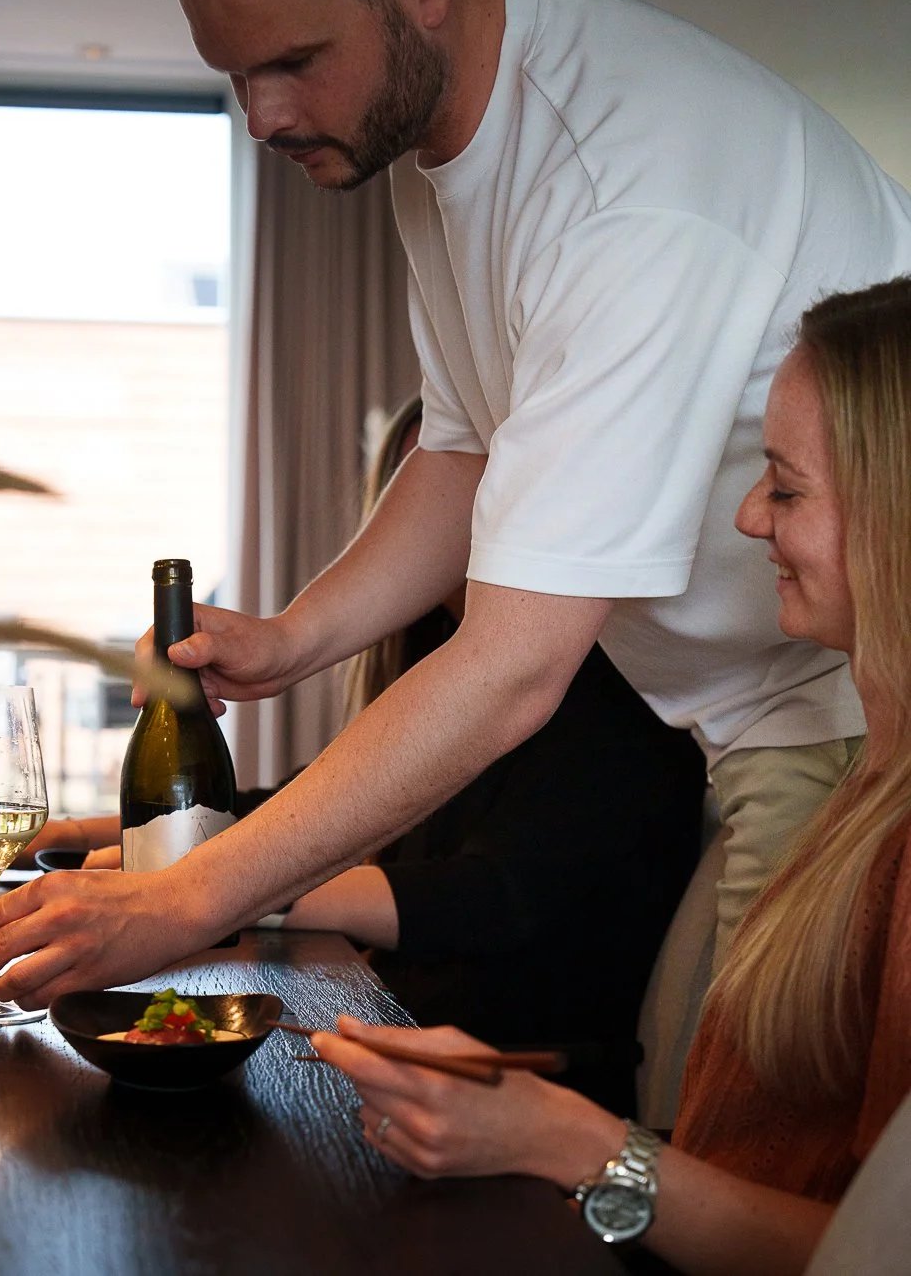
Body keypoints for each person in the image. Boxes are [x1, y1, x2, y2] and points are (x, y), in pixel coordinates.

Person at [0, 0, 911, 1009]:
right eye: (237, 74)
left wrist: (187, 899)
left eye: (294, 61)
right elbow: (464, 446)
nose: (263, 116)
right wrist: (294, 639)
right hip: (737, 714)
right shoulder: (443, 147)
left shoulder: (623, 188)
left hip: (846, 701)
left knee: (752, 1127)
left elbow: (512, 667)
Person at [312, 276, 911, 1272]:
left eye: (788, 487)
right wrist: (521, 1124)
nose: (751, 519)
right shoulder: (866, 800)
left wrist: (563, 1141)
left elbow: (872, 1253)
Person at [25, 394, 707, 1113]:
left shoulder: (616, 687)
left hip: (516, 1084)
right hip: (405, 1036)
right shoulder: (439, 669)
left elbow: (487, 897)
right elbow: (290, 806)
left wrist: (202, 890)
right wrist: (67, 837)